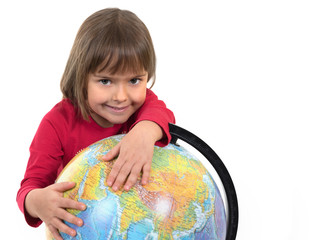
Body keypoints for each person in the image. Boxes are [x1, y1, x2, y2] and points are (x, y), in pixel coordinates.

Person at [16, 8, 175, 240]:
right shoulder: (56, 123)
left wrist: (145, 131)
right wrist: (36, 201)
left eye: (134, 80)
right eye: (105, 80)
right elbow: (30, 186)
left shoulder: (144, 109)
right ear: (82, 77)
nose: (121, 96)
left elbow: (163, 114)